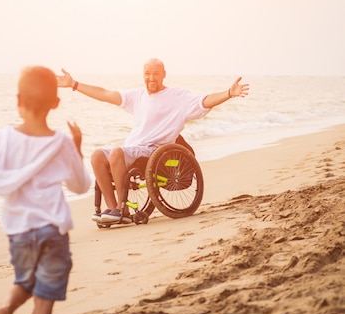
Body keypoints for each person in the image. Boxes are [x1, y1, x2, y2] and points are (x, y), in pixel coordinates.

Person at [0, 66, 91, 314]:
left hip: (20, 231)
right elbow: (80, 186)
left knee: (25, 281)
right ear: (56, 103)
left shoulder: (3, 138)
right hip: (52, 230)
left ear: (18, 100)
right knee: (46, 293)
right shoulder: (61, 142)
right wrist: (77, 147)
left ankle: (4, 311)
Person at [57, 58, 249, 224]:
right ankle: (115, 208)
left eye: (155, 74)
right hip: (133, 148)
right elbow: (106, 94)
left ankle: (121, 209)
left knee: (117, 153)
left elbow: (204, 101)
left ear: (163, 74)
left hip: (155, 150)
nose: (151, 78)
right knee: (97, 155)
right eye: (147, 73)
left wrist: (228, 93)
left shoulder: (178, 97)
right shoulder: (137, 97)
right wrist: (74, 84)